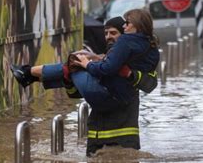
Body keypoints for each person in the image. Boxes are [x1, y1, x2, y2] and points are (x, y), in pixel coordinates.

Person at [11, 10, 159, 155]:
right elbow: (76, 92)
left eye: (114, 33)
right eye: (106, 33)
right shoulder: (143, 49)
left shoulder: (126, 44)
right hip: (98, 136)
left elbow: (148, 83)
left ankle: (28, 74)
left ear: (130, 29)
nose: (108, 37)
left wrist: (90, 64)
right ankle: (29, 75)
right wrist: (95, 60)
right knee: (73, 67)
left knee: (73, 63)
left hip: (121, 132)